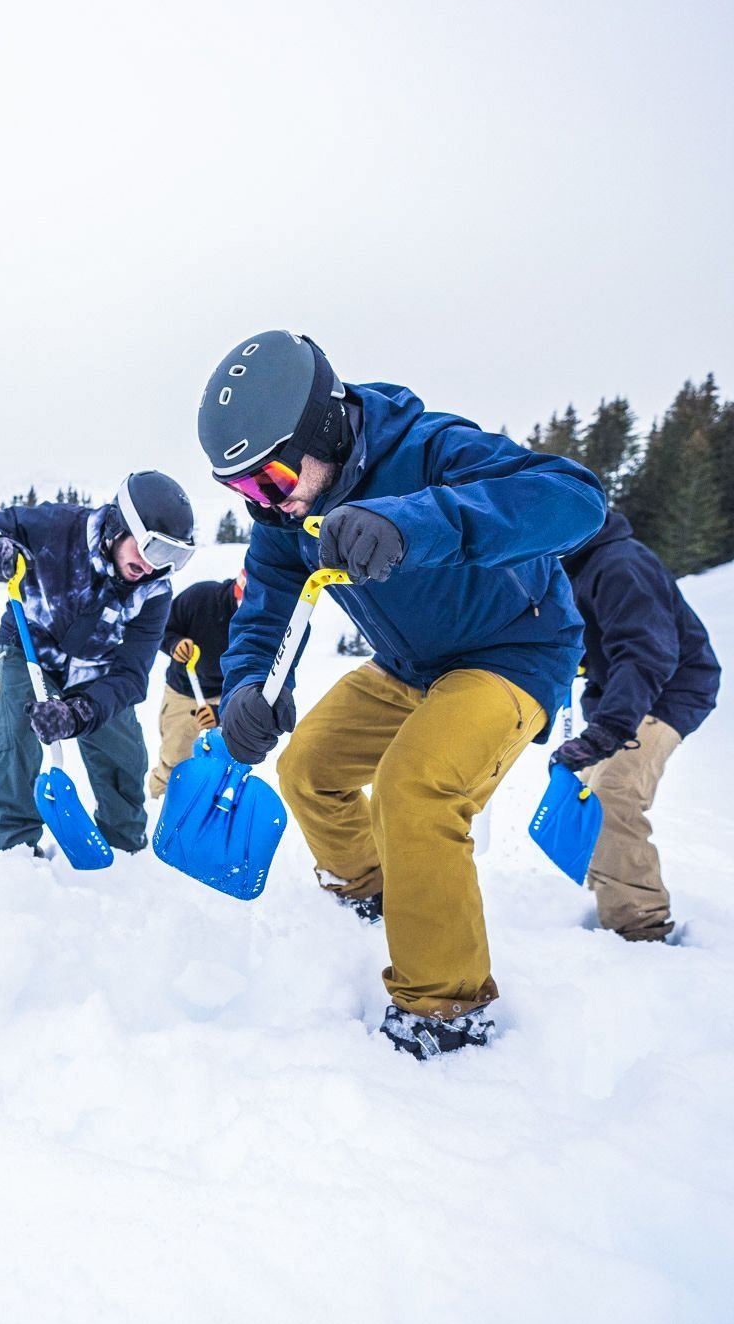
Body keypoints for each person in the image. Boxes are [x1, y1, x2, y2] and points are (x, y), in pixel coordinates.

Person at [196, 329, 607, 1060]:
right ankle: (373, 886)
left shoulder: (428, 446)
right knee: (307, 770)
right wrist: (249, 688)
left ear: (322, 428)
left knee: (413, 788)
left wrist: (414, 522)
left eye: (273, 479)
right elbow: (265, 613)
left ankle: (447, 1005)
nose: (270, 504)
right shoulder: (283, 522)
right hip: (409, 664)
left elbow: (574, 502)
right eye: (245, 490)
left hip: (513, 650)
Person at [0, 473, 195, 856]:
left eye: (171, 557)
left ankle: (123, 848)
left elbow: (132, 675)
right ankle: (11, 848)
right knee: (18, 734)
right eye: (151, 549)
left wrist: (78, 712)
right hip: (32, 646)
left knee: (123, 754)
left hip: (100, 670)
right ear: (120, 527)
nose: (152, 566)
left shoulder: (154, 591)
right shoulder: (57, 527)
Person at [552, 510, 720, 941]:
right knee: (588, 791)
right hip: (624, 693)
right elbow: (605, 639)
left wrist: (608, 730)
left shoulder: (621, 563)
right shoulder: (575, 569)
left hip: (667, 692)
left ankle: (640, 925)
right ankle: (612, 885)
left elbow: (646, 653)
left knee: (613, 796)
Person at [148, 569, 245, 798]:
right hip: (184, 691)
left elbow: (257, 679)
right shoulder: (201, 597)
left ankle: (207, 814)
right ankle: (160, 807)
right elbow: (161, 628)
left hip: (230, 695)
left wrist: (222, 712)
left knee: (222, 765)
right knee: (175, 758)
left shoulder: (263, 623)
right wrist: (175, 644)